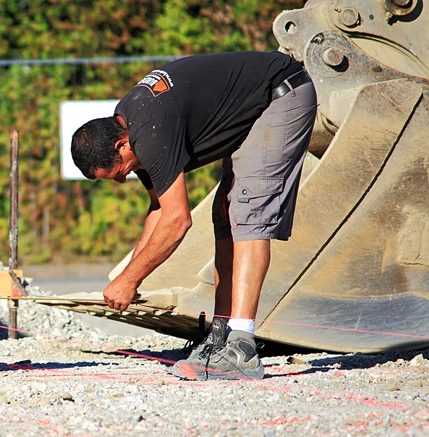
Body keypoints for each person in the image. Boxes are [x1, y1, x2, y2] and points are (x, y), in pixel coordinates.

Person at [70, 51, 316, 381]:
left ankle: (241, 348)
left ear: (121, 145)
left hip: (279, 95)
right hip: (254, 108)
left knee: (247, 213)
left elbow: (177, 220)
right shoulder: (130, 122)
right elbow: (158, 209)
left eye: (116, 172)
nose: (119, 180)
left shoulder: (150, 132)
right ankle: (220, 335)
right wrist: (131, 275)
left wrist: (129, 281)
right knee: (225, 215)